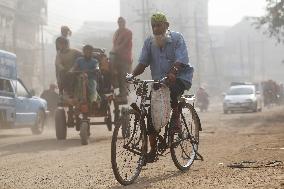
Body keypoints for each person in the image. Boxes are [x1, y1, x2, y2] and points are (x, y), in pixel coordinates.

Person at [126, 13, 194, 162]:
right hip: (160, 81)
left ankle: (176, 120)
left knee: (173, 90)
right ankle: (153, 150)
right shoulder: (149, 43)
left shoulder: (177, 38)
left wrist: (173, 72)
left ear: (166, 25)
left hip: (180, 77)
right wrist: (132, 75)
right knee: (151, 114)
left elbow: (181, 59)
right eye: (154, 26)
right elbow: (143, 63)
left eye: (159, 25)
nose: (156, 29)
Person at [71, 45, 100, 112]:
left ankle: (93, 102)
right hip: (81, 78)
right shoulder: (79, 60)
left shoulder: (95, 61)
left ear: (91, 53)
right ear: (83, 52)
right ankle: (78, 102)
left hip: (91, 79)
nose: (88, 53)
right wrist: (71, 70)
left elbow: (97, 67)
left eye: (89, 52)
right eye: (86, 52)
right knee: (78, 87)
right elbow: (74, 67)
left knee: (93, 88)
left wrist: (96, 69)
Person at [110, 17, 132, 104]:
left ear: (124, 22)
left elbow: (124, 43)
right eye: (119, 22)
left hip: (125, 57)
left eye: (122, 22)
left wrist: (116, 50)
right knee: (114, 74)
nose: (120, 23)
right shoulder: (116, 32)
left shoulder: (128, 32)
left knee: (123, 75)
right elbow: (114, 44)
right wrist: (113, 52)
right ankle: (118, 92)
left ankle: (124, 95)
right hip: (116, 57)